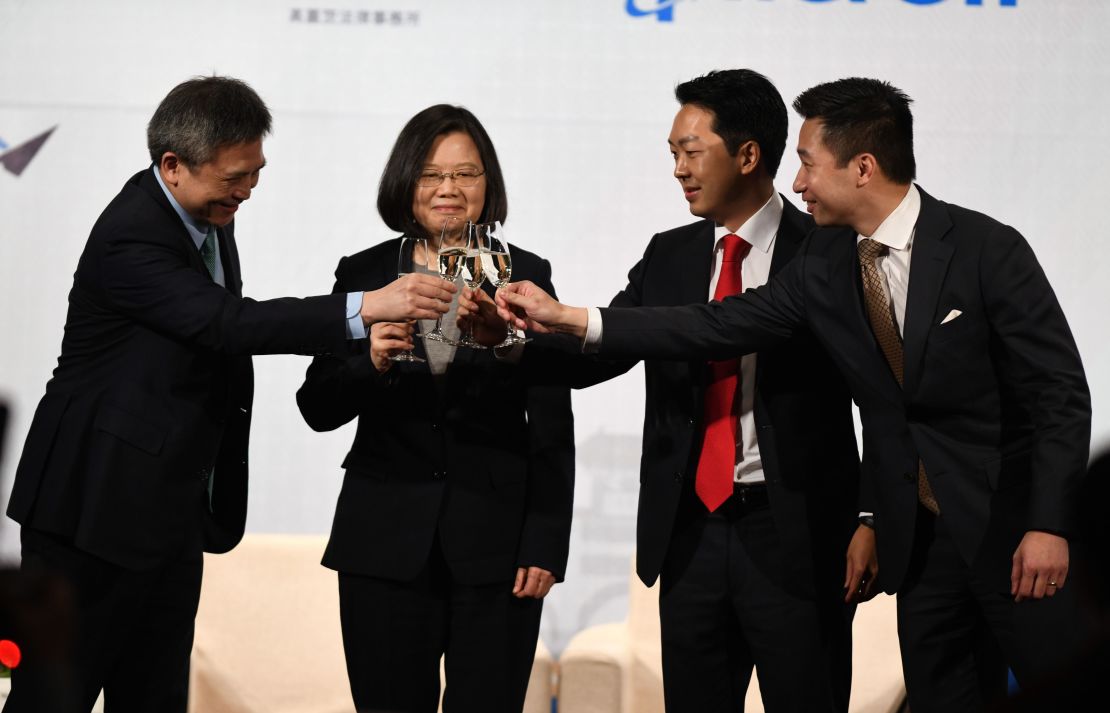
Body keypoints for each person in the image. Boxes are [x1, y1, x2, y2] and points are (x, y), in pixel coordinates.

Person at [490, 78, 1093, 713]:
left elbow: (1058, 392)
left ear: (862, 168)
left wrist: (1048, 523)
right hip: (922, 548)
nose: (798, 183)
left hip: (1011, 535)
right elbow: (715, 323)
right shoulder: (829, 263)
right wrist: (570, 317)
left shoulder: (984, 249)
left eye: (807, 164)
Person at [3, 75, 452, 713]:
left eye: (255, 173)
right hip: (92, 508)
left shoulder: (204, 213)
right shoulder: (133, 233)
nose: (245, 191)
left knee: (155, 694)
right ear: (173, 165)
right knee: (57, 696)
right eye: (233, 177)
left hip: (166, 510)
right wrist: (366, 307)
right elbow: (226, 323)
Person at [476, 69, 869, 712]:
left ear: (747, 155)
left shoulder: (825, 250)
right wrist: (510, 336)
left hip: (796, 533)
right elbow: (601, 354)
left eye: (691, 152)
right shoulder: (670, 254)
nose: (679, 170)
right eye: (672, 155)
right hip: (690, 532)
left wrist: (871, 514)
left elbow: (876, 394)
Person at [295, 104, 575, 713]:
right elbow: (316, 406)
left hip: (497, 548)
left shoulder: (525, 275)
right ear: (405, 182)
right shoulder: (364, 273)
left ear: (487, 184)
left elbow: (552, 422)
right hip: (383, 542)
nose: (448, 189)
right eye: (430, 174)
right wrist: (367, 361)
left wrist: (545, 543)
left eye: (466, 174)